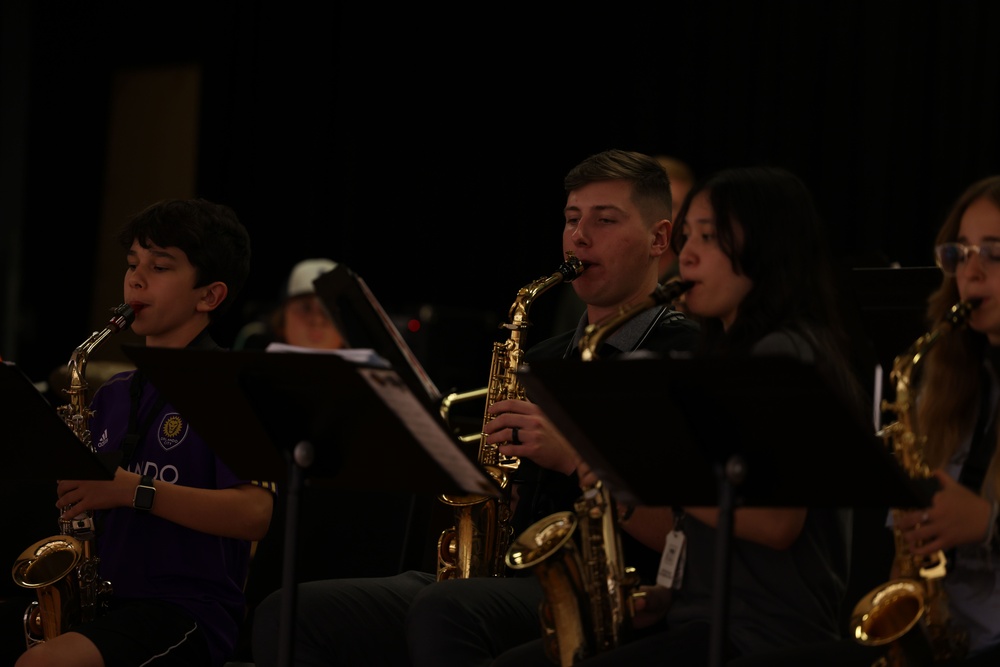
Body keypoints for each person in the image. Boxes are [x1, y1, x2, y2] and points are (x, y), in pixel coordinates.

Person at [250, 148, 702, 666]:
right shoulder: (542, 356)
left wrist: (572, 456)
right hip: (510, 577)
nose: (580, 236)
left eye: (605, 220)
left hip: (617, 587)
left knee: (447, 610)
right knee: (291, 610)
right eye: (572, 219)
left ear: (658, 239)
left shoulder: (685, 352)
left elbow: (680, 533)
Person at [493, 165, 873, 667]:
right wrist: (671, 592)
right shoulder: (735, 355)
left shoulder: (785, 353)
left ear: (770, 249)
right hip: (702, 616)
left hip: (759, 637)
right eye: (688, 234)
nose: (687, 254)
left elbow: (776, 522)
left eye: (710, 237)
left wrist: (628, 470)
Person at [15, 198, 275, 667]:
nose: (135, 278)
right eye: (133, 263)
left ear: (209, 296)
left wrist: (132, 491)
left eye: (160, 266)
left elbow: (255, 513)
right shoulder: (113, 392)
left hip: (185, 611)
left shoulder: (227, 387)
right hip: (105, 603)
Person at [881, 175, 1000, 665]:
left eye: (994, 253)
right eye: (961, 253)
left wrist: (988, 523)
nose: (969, 273)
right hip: (947, 640)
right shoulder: (950, 379)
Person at [234, 257, 347, 351]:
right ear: (282, 320)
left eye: (329, 309)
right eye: (305, 308)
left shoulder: (364, 375)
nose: (317, 320)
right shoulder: (255, 373)